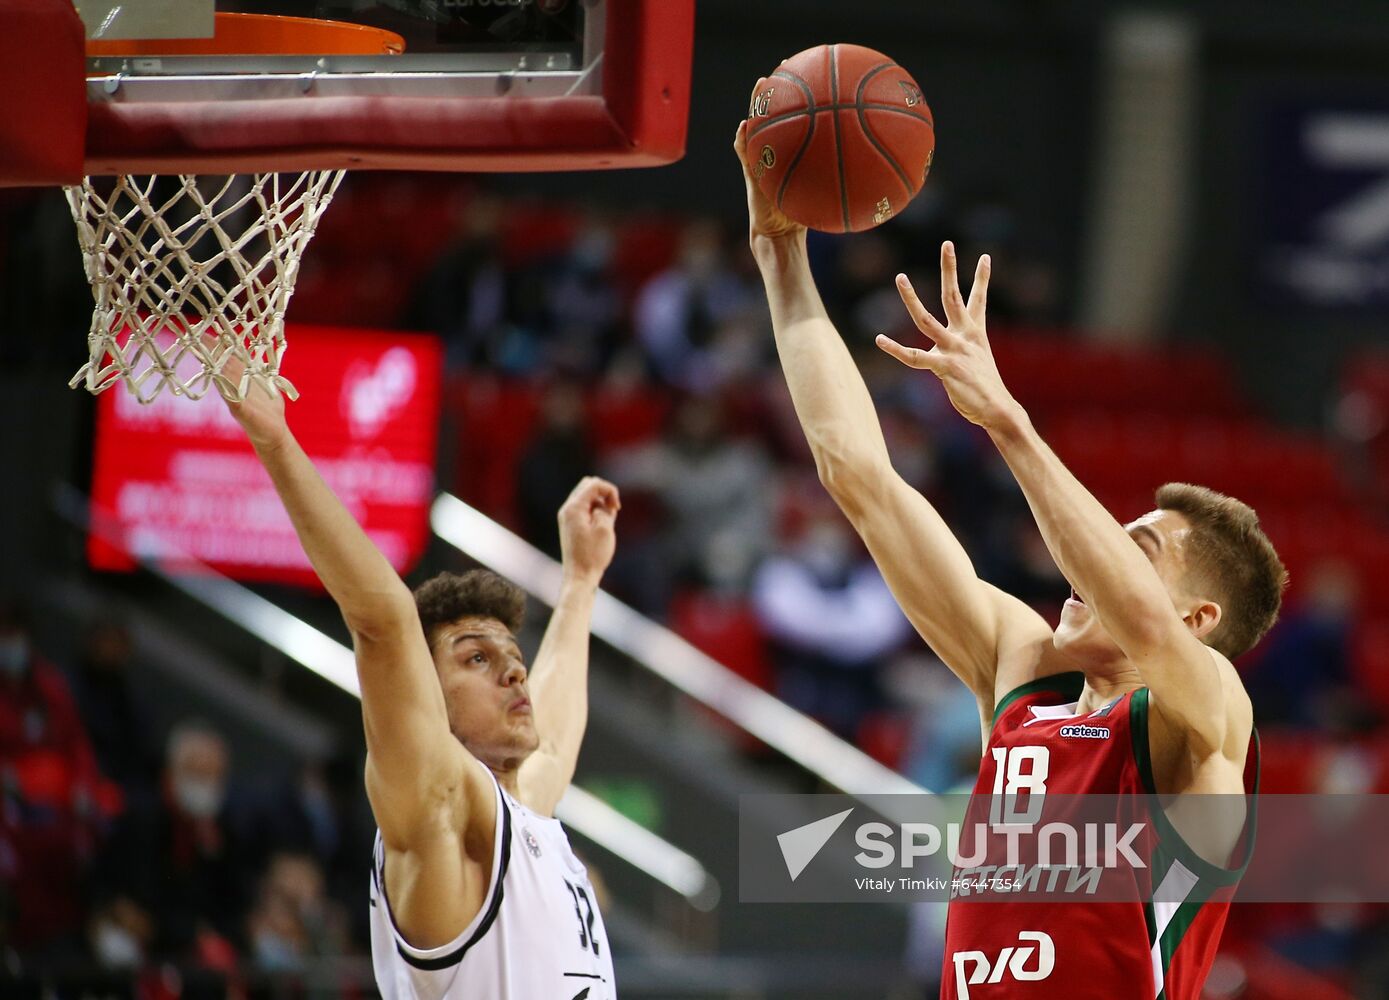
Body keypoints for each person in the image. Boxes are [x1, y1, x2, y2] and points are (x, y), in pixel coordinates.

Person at [736, 111, 1284, 999]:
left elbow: (1143, 629)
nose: (1088, 557)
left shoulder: (1207, 720)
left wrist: (1008, 423)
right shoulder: (1020, 670)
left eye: (1132, 547)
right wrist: (779, 255)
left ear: (1197, 618)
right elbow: (859, 481)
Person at [221, 369, 621, 999]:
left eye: (512, 656)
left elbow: (555, 745)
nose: (515, 670)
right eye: (477, 661)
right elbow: (383, 621)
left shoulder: (515, 818)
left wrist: (580, 582)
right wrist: (277, 443)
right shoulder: (441, 809)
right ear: (427, 701)